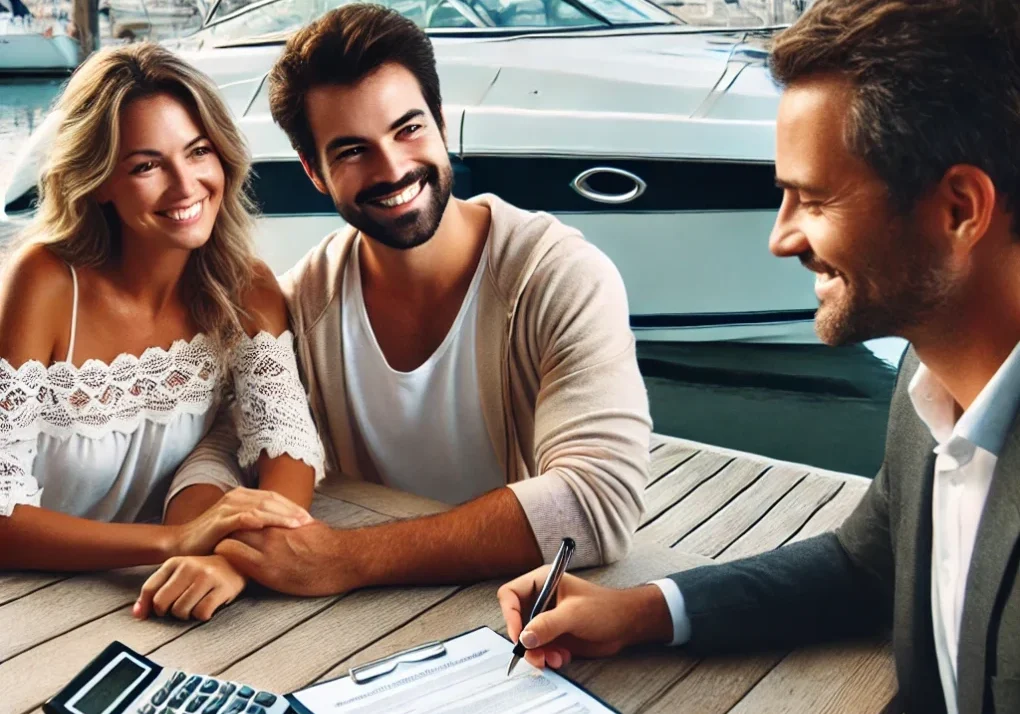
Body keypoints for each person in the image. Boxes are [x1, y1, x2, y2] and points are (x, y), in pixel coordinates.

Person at [496, 1, 1020, 713]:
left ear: (960, 209)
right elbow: (865, 565)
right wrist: (640, 612)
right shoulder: (928, 381)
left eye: (812, 199)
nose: (781, 238)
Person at [171, 3, 652, 597]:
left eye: (408, 129)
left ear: (441, 123)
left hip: (520, 610)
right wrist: (217, 548)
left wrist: (347, 558)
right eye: (351, 151)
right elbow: (219, 446)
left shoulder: (558, 276)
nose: (393, 167)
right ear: (314, 172)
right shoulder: (306, 303)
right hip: (361, 624)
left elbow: (599, 500)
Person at [0, 42, 325, 623]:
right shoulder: (46, 282)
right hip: (24, 600)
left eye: (198, 151)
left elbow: (285, 442)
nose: (185, 186)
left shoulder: (244, 288)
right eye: (146, 165)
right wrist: (174, 542)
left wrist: (235, 556)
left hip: (136, 604)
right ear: (100, 182)